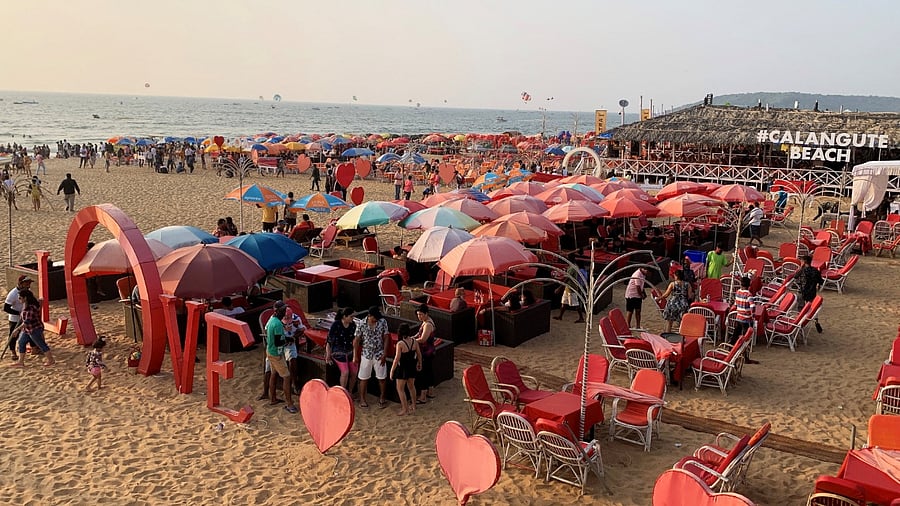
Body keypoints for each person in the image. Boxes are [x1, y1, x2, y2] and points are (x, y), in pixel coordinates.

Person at [264, 301, 297, 413]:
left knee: (273, 374)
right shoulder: (277, 324)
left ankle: (273, 398)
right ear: (278, 311)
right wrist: (288, 340)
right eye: (283, 310)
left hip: (270, 350)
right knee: (287, 377)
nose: (284, 312)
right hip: (276, 354)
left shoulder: (271, 320)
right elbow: (279, 342)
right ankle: (290, 404)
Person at [354, 306, 390, 409]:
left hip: (379, 353)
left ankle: (382, 398)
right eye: (374, 318)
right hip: (366, 354)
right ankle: (362, 399)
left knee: (382, 377)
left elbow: (386, 337)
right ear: (369, 316)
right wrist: (355, 355)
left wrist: (385, 353)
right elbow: (356, 340)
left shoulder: (382, 322)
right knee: (363, 377)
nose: (376, 320)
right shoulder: (361, 324)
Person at [10, 289, 55, 367]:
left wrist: (17, 330)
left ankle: (51, 360)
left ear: (25, 298)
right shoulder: (25, 305)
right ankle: (21, 362)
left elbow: (27, 321)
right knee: (21, 342)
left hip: (34, 329)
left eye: (20, 298)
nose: (19, 299)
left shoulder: (31, 308)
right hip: (27, 329)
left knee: (41, 344)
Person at [390, 323, 421, 416]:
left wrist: (392, 371)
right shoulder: (414, 341)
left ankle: (405, 408)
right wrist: (420, 363)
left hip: (403, 368)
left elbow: (396, 359)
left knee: (400, 389)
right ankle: (414, 405)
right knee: (412, 387)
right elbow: (419, 353)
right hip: (412, 366)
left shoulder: (400, 344)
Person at [326, 307, 358, 394]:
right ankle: (343, 393)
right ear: (344, 316)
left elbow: (355, 342)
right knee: (345, 372)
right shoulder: (336, 325)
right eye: (351, 316)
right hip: (338, 352)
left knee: (354, 372)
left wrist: (355, 355)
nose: (352, 318)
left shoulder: (353, 325)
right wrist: (328, 355)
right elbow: (329, 341)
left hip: (349, 351)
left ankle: (350, 391)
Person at [4, 275, 34, 361]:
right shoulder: (13, 294)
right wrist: (18, 313)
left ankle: (34, 348)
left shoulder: (28, 291)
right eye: (27, 283)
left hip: (26, 316)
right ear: (21, 283)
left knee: (31, 332)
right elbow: (6, 308)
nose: (28, 285)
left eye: (29, 283)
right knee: (14, 335)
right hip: (15, 319)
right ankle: (13, 352)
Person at [414, 304, 436, 404]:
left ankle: (423, 396)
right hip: (428, 351)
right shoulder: (425, 322)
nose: (419, 316)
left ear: (426, 314)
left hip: (426, 352)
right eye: (418, 314)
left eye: (421, 314)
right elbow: (419, 335)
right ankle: (431, 392)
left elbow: (423, 339)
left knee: (423, 373)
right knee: (428, 371)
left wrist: (412, 341)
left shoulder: (428, 324)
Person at [281, 306, 306, 394]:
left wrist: (294, 337)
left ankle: (294, 383)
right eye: (285, 318)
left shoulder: (296, 319)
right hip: (279, 341)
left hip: (291, 342)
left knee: (293, 360)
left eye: (288, 318)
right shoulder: (275, 319)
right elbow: (267, 330)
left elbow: (302, 329)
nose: (287, 320)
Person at [796, 255, 824, 332]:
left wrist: (801, 268)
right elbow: (821, 281)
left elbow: (795, 276)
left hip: (802, 291)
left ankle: (799, 323)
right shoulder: (815, 271)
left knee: (800, 308)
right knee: (813, 308)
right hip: (811, 292)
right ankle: (816, 321)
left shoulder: (802, 271)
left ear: (804, 262)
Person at [554, 259, 586, 323]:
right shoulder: (571, 267)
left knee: (575, 304)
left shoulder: (572, 268)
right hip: (568, 287)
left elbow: (568, 278)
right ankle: (560, 316)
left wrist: (559, 288)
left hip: (571, 288)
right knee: (564, 302)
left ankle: (581, 318)